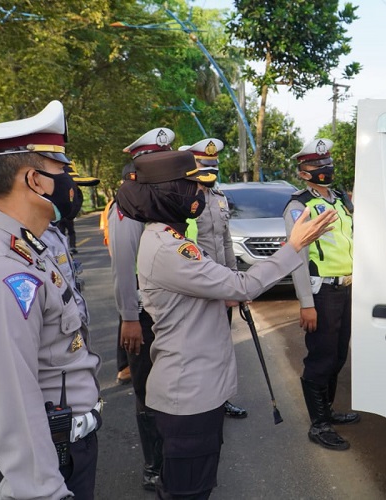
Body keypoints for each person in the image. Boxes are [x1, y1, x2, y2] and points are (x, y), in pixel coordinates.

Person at [115, 149, 337, 499]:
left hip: (195, 391)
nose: (198, 192)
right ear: (168, 193)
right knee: (187, 490)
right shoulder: (167, 247)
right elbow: (243, 285)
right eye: (190, 186)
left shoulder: (169, 237)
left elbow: (220, 281)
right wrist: (294, 245)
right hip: (188, 396)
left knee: (193, 485)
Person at [0, 100, 102, 500]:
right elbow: (15, 409)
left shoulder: (30, 247)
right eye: (61, 169)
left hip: (63, 447)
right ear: (35, 180)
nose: (69, 181)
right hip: (39, 463)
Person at [283, 138, 361, 452]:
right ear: (302, 172)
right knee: (321, 359)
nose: (323, 169)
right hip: (322, 292)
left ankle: (327, 411)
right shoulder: (298, 206)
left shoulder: (342, 200)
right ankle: (319, 424)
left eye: (326, 162)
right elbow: (297, 257)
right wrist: (306, 303)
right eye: (315, 165)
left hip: (348, 287)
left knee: (339, 355)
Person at [108, 126, 175, 490]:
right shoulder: (128, 204)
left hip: (175, 310)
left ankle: (175, 454)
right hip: (145, 314)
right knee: (147, 389)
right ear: (141, 162)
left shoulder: (173, 198)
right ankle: (154, 464)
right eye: (158, 158)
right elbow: (122, 266)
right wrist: (130, 319)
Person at [179, 137, 248, 419]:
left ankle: (220, 399)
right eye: (203, 167)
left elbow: (226, 242)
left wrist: (235, 281)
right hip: (196, 287)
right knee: (197, 346)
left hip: (221, 283)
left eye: (213, 167)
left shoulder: (219, 199)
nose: (209, 173)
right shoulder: (182, 200)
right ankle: (197, 400)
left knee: (221, 345)